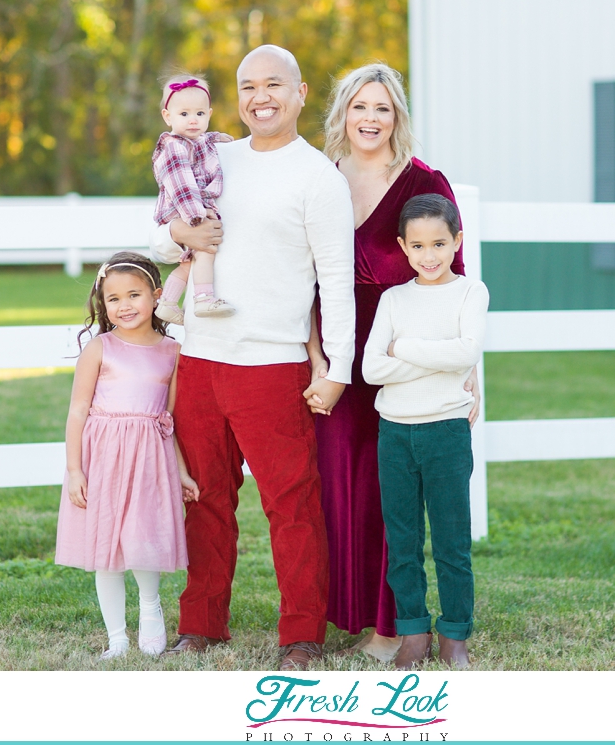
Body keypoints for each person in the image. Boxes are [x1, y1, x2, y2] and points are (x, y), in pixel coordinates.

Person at [147, 45, 355, 671]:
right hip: (202, 359)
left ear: (299, 91)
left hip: (272, 364)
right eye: (247, 86)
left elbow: (336, 281)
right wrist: (181, 235)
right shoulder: (213, 154)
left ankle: (301, 635)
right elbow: (159, 235)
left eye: (273, 84)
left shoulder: (319, 176)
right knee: (206, 499)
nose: (259, 97)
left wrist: (339, 368)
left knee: (290, 503)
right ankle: (202, 623)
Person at [304, 63, 478, 662]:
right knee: (340, 489)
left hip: (407, 360)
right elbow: (301, 279)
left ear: (396, 115)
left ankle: (391, 627)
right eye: (359, 107)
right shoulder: (321, 180)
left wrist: (467, 373)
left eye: (382, 107)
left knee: (390, 495)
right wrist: (316, 360)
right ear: (342, 115)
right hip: (339, 361)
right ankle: (355, 615)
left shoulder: (424, 182)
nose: (370, 119)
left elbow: (456, 277)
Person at [361, 193, 489, 670]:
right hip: (395, 433)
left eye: (439, 243)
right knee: (403, 539)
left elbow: (465, 353)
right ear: (403, 246)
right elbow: (373, 369)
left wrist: (405, 349)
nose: (429, 256)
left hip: (446, 432)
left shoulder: (470, 293)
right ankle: (413, 630)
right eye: (418, 246)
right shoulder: (394, 299)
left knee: (452, 539)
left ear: (457, 240)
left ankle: (455, 632)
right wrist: (435, 358)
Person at [54, 251, 200, 659]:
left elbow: (167, 419)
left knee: (143, 537)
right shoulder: (100, 348)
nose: (124, 305)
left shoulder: (173, 351)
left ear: (156, 296)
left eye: (134, 295)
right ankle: (117, 637)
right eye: (113, 298)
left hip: (148, 459)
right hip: (102, 457)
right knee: (106, 548)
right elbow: (77, 410)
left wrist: (182, 472)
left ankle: (151, 611)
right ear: (103, 304)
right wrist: (74, 469)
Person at [151, 73, 236, 324]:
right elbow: (181, 185)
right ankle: (204, 299)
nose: (193, 120)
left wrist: (217, 137)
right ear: (168, 117)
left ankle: (166, 303)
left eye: (199, 114)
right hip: (185, 209)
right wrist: (197, 215)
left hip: (190, 208)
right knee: (205, 248)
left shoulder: (197, 141)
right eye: (184, 114)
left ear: (209, 114)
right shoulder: (173, 146)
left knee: (191, 262)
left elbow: (204, 141)